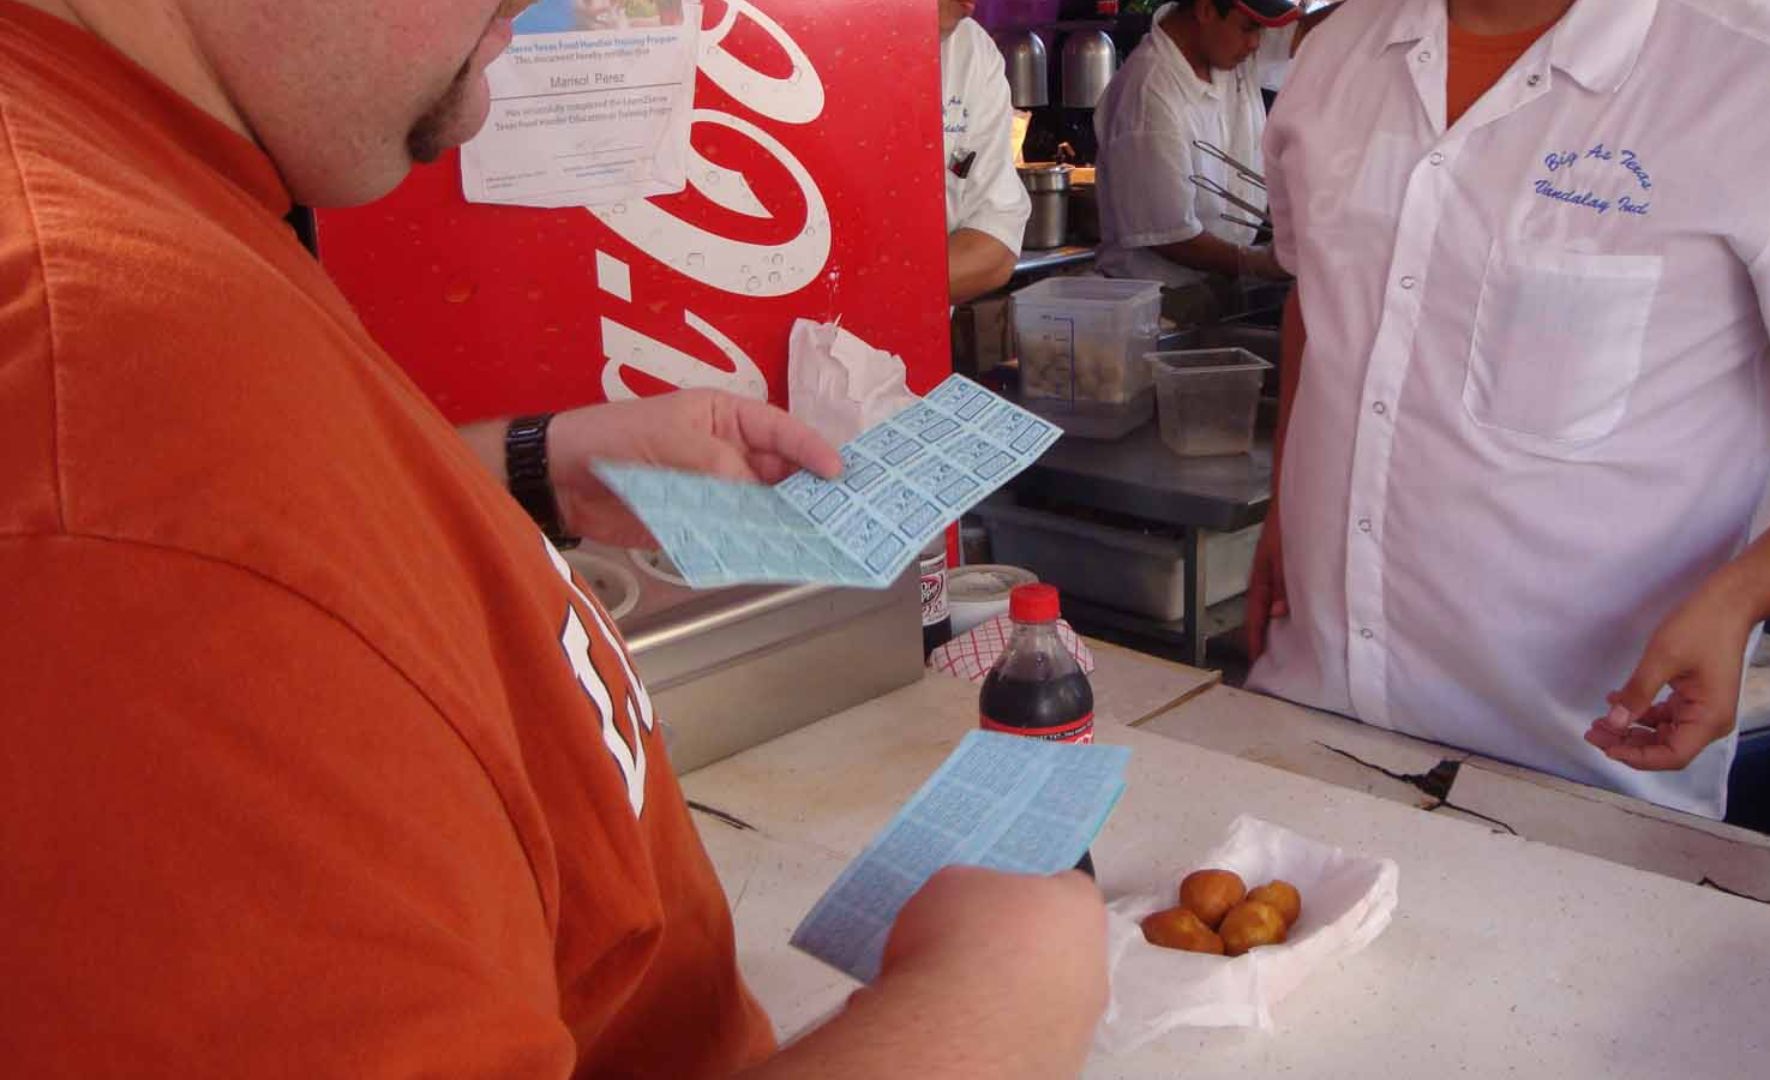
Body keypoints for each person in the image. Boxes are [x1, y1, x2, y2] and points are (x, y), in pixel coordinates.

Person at [0, 1, 1108, 1075]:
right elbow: (189, 543)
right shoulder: (111, 447)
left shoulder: (131, 176)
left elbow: (285, 528)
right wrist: (984, 1017)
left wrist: (522, 469)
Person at [1245, 0, 1770, 818]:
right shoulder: (1336, 54)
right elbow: (1317, 298)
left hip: (1583, 780)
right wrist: (1289, 503)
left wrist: (1745, 595)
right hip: (1301, 726)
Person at [1093, 0, 1297, 291]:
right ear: (1205, 10)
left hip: (1218, 285)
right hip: (1159, 301)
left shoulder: (1227, 51)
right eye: (1249, 28)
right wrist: (1255, 262)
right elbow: (1170, 236)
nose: (1255, 43)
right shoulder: (1148, 92)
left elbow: (1308, 33)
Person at [942, 0, 1032, 304]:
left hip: (915, 340)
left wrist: (874, 298)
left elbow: (996, 241)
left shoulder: (973, 51)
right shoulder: (799, 32)